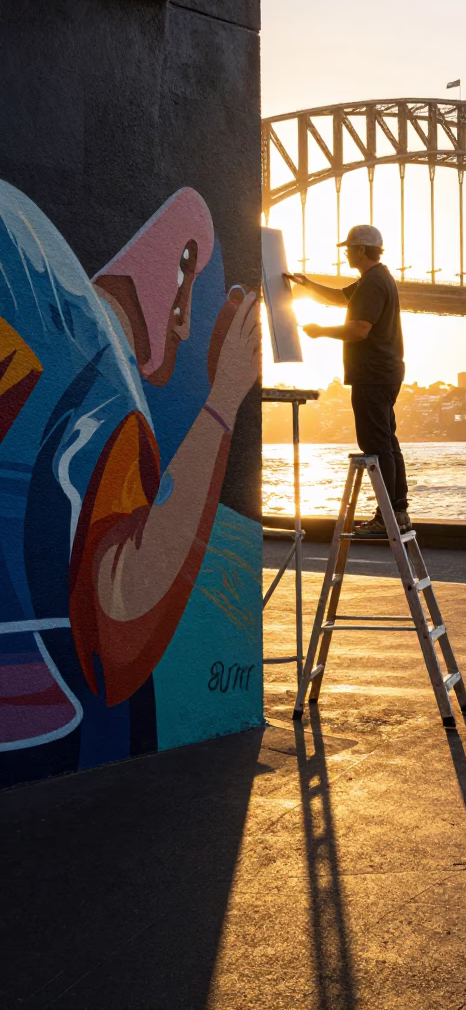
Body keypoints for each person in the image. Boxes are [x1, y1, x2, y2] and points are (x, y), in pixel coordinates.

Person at [0, 181, 260, 783]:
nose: (186, 322)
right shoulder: (98, 389)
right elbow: (116, 621)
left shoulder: (29, 285)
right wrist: (223, 400)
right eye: (186, 270)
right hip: (47, 739)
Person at [285, 225, 410, 537]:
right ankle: (398, 512)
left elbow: (358, 330)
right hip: (384, 372)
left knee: (376, 443)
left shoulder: (373, 283)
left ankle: (387, 517)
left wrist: (319, 331)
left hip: (372, 373)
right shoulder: (376, 279)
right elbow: (341, 297)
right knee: (388, 440)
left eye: (349, 248)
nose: (345, 252)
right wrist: (308, 284)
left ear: (362, 251)